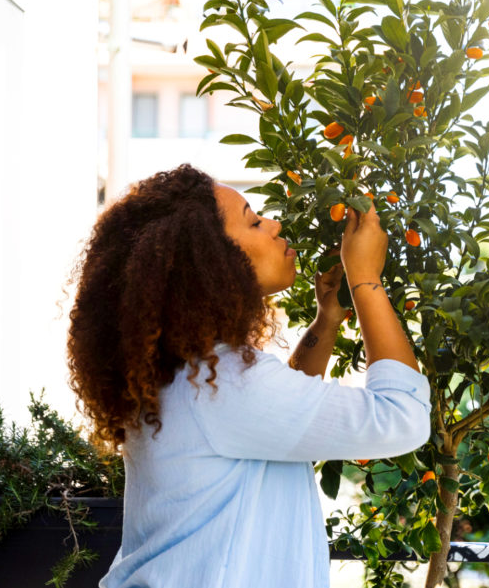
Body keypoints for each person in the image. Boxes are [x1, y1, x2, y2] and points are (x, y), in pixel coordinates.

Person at [66, 164, 431, 588]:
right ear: (209, 262)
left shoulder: (188, 376)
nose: (274, 225)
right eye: (254, 221)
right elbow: (403, 417)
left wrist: (325, 323)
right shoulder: (224, 387)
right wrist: (366, 278)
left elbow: (274, 427)